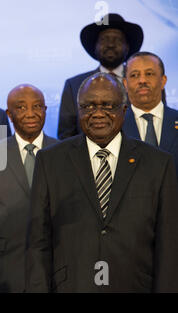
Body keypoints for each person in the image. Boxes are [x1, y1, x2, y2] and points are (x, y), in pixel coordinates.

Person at [26, 73, 178, 292]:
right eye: (88, 106)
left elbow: (168, 245)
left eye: (107, 105)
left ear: (124, 110)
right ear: (78, 110)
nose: (97, 114)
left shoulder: (158, 163)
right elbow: (37, 242)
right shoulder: (50, 160)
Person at [0, 84, 57, 292]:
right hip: (6, 271)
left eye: (37, 106)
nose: (31, 113)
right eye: (21, 108)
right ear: (9, 114)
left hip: (57, 270)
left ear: (45, 110)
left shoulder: (64, 152)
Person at [57, 13, 144, 139]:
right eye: (104, 39)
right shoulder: (74, 85)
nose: (110, 45)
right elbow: (66, 136)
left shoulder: (145, 82)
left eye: (117, 40)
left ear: (127, 47)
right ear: (95, 47)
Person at [122, 52, 178, 179]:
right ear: (125, 83)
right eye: (134, 75)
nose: (142, 80)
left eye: (149, 74)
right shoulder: (115, 127)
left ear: (163, 81)